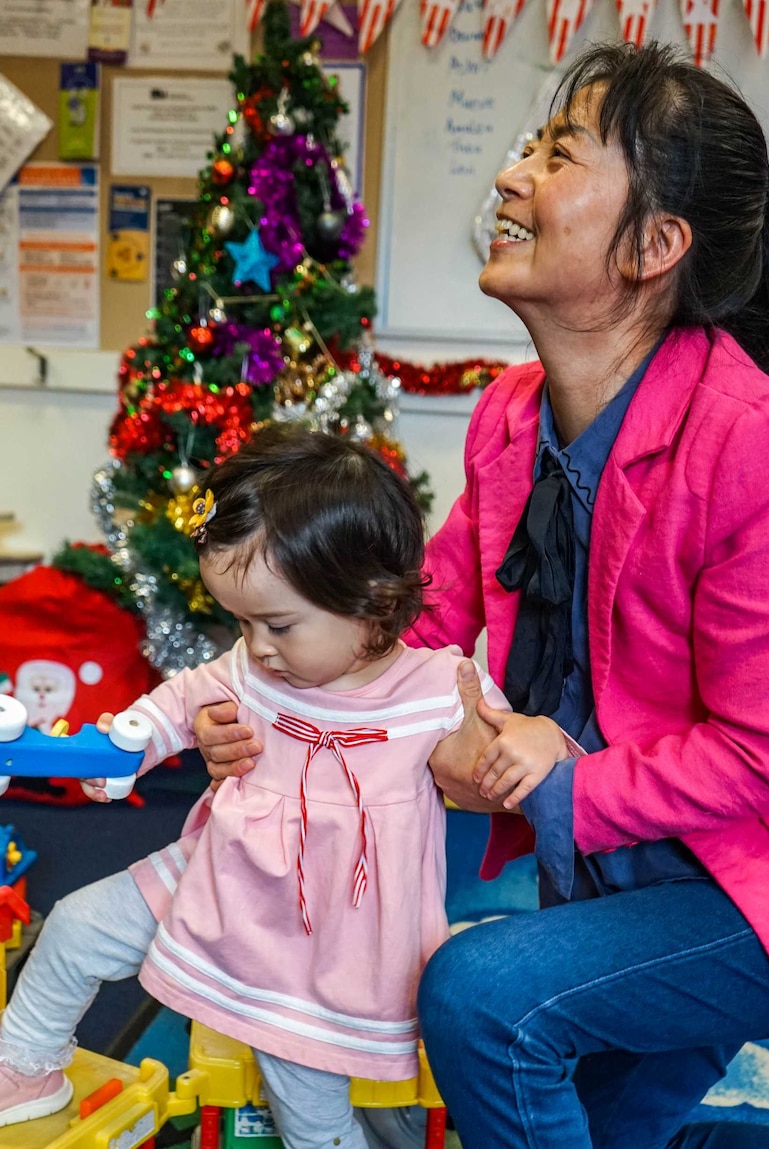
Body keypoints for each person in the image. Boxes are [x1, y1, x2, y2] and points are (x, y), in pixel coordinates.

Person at [195, 41, 769, 1149]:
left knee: (479, 996)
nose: (512, 178)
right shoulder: (512, 413)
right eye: (529, 150)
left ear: (654, 246)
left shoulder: (759, 438)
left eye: (558, 156)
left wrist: (556, 774)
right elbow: (414, 619)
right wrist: (260, 705)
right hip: (615, 878)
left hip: (764, 883)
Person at [0, 426, 538, 1148]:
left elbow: (504, 764)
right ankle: (26, 1068)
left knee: (308, 1114)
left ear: (375, 601)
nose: (255, 645)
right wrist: (126, 743)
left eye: (277, 623)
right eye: (241, 621)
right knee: (72, 925)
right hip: (218, 876)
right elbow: (179, 701)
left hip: (324, 947)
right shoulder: (259, 667)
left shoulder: (437, 688)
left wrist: (523, 751)